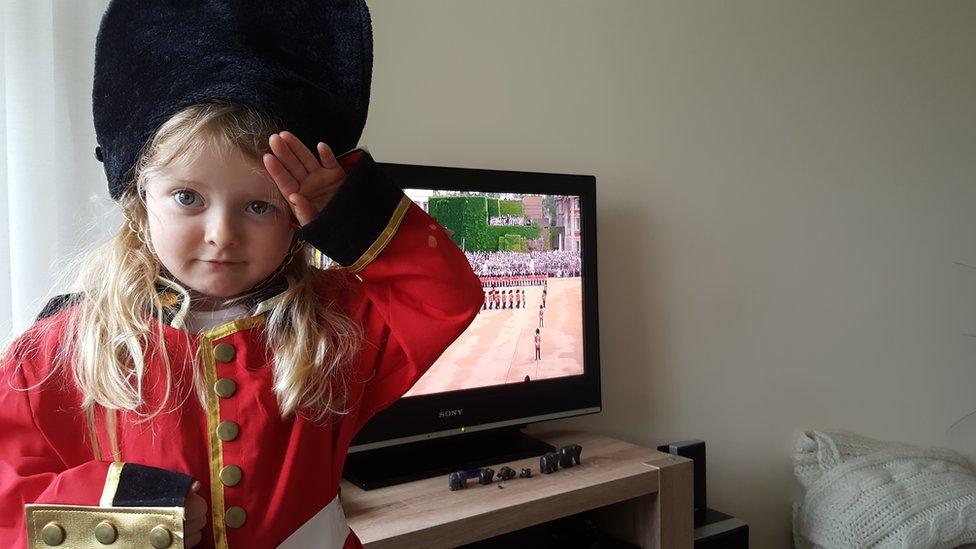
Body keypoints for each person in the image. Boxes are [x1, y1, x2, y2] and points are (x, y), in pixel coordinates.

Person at [0, 2, 483, 548]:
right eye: (188, 198)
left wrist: (350, 210)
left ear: (297, 217)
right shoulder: (56, 354)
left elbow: (443, 297)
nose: (222, 235)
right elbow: (8, 499)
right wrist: (119, 514)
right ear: (140, 201)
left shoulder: (333, 329)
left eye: (259, 206)